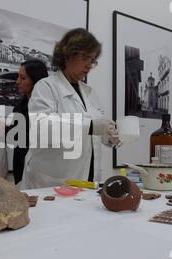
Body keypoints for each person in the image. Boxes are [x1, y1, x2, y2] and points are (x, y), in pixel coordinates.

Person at [19, 28, 121, 190]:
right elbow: (42, 127)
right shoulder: (46, 87)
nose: (89, 65)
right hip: (51, 183)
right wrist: (92, 126)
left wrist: (107, 137)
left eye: (93, 60)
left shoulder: (90, 93)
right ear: (67, 54)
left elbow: (92, 134)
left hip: (88, 180)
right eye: (85, 57)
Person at [8, 59, 48, 184]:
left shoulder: (47, 110)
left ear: (35, 80)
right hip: (19, 166)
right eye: (18, 77)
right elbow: (16, 137)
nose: (17, 82)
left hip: (39, 170)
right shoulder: (20, 106)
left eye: (23, 78)